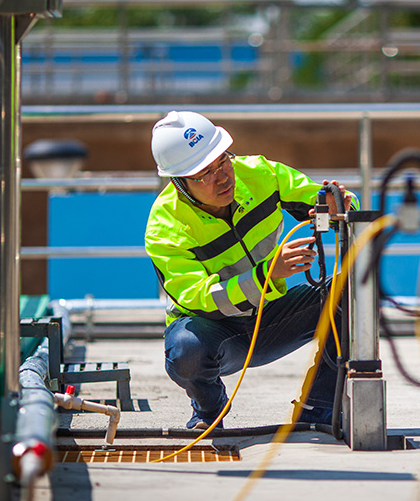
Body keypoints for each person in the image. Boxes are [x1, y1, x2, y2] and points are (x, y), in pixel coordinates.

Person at [145, 110, 356, 430]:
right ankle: (210, 409)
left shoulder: (260, 174)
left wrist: (338, 204)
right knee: (186, 350)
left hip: (272, 317)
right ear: (179, 182)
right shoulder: (164, 229)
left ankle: (319, 406)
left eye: (222, 161)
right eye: (205, 173)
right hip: (215, 333)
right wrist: (267, 274)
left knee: (354, 293)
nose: (222, 177)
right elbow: (200, 298)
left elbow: (329, 202)